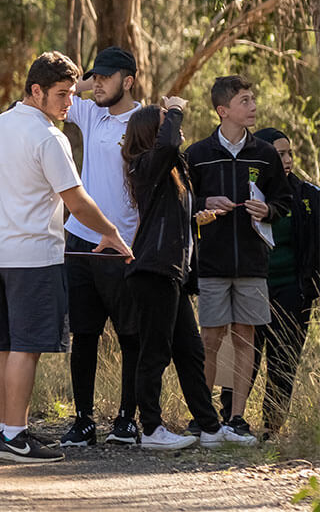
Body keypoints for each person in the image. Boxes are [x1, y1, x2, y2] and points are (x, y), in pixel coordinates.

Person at [0, 52, 133, 464]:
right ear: (36, 91)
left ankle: (4, 431)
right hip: (32, 256)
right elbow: (77, 201)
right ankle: (14, 436)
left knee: (8, 347)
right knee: (25, 349)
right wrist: (111, 232)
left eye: (72, 92)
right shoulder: (49, 138)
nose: (70, 103)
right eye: (62, 94)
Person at [121, 98, 256, 449]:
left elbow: (171, 209)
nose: (176, 126)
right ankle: (150, 429)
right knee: (155, 353)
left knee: (190, 352)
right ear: (152, 130)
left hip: (172, 273)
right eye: (168, 121)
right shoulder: (144, 163)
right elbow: (168, 144)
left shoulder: (169, 172)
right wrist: (175, 106)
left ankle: (210, 429)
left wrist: (202, 209)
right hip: (153, 271)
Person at [185, 76, 292, 438]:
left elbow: (284, 201)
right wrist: (202, 206)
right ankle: (205, 419)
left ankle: (237, 419)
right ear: (223, 110)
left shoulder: (264, 154)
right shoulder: (197, 155)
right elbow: (183, 203)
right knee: (211, 339)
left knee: (245, 339)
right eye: (245, 101)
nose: (253, 107)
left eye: (253, 99)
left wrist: (269, 211)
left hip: (252, 265)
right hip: (212, 265)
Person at [59, 47, 142, 448]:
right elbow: (57, 89)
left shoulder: (147, 121)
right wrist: (77, 75)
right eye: (95, 77)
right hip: (80, 240)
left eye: (106, 78)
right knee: (85, 334)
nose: (97, 84)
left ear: (128, 81)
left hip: (123, 245)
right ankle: (83, 421)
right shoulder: (91, 113)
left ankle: (127, 419)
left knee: (130, 336)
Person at [217, 127, 320, 438]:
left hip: (292, 291)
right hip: (249, 286)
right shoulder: (241, 193)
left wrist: (311, 289)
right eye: (278, 154)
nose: (286, 160)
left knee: (283, 362)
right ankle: (231, 422)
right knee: (241, 357)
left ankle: (271, 428)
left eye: (289, 153)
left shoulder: (309, 195)